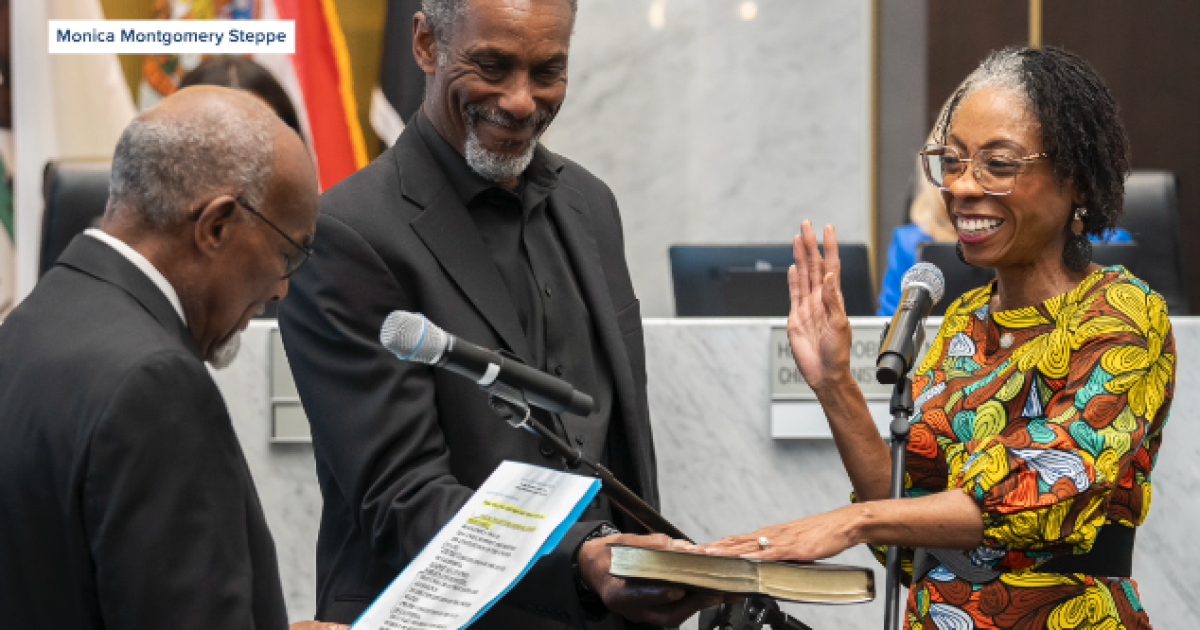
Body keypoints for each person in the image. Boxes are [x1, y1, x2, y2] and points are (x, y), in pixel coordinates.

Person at [696, 47, 1173, 629]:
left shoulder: (1121, 315)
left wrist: (853, 524)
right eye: (951, 161)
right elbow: (907, 503)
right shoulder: (964, 321)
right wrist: (833, 383)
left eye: (997, 164)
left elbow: (1047, 485)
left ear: (1074, 179)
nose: (962, 187)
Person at [278, 0, 715, 628]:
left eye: (547, 71)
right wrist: (582, 560)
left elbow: (620, 445)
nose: (520, 100)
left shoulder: (592, 205)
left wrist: (658, 571)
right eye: (492, 65)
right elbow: (403, 497)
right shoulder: (348, 234)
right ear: (426, 44)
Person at [0, 87, 340, 630]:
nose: (281, 289)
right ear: (217, 227)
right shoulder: (155, 386)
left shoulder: (31, 322)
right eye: (288, 252)